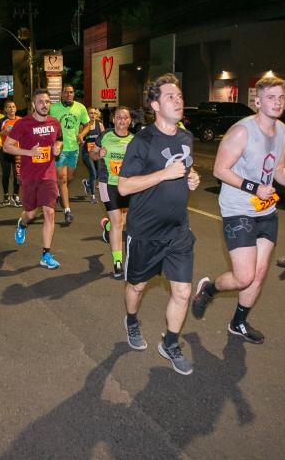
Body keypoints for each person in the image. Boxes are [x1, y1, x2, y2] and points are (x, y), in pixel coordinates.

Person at [191, 76, 285, 343]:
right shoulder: (242, 132)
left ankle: (238, 323)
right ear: (257, 101)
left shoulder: (283, 131)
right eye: (271, 98)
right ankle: (209, 289)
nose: (277, 103)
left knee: (260, 274)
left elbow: (277, 169)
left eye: (281, 98)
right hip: (238, 209)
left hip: (265, 210)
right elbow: (220, 170)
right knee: (244, 277)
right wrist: (254, 187)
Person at [117, 73, 201, 375]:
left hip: (178, 231)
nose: (178, 101)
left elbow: (184, 169)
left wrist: (191, 178)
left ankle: (170, 342)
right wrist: (163, 175)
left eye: (179, 97)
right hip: (143, 233)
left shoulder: (185, 137)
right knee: (137, 287)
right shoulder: (143, 141)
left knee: (182, 291)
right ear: (155, 104)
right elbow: (124, 187)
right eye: (170, 97)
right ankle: (131, 321)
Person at [2, 89, 63, 269]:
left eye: (47, 101)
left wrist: (57, 147)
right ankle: (22, 223)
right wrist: (29, 152)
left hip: (48, 175)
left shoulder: (55, 122)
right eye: (41, 102)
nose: (45, 105)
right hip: (29, 176)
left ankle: (46, 254)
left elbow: (58, 140)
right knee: (30, 213)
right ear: (34, 105)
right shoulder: (24, 124)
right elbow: (7, 147)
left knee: (49, 212)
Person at [90, 106, 133, 278]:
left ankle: (107, 226)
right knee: (118, 223)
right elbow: (92, 154)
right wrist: (98, 153)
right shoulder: (105, 136)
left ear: (130, 121)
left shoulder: (134, 140)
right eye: (119, 117)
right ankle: (117, 262)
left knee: (121, 220)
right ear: (113, 120)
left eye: (125, 117)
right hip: (107, 183)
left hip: (127, 185)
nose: (122, 120)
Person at [49, 84, 89, 224]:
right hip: (59, 149)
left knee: (69, 177)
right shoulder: (53, 108)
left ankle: (59, 192)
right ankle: (67, 211)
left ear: (74, 94)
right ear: (61, 94)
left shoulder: (80, 108)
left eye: (71, 92)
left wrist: (81, 135)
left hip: (74, 148)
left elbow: (88, 124)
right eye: (66, 92)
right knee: (63, 178)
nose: (68, 94)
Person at [0, 99, 22, 207]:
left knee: (18, 174)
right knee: (6, 174)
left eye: (13, 106)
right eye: (9, 107)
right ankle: (6, 195)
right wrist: (4, 131)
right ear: (5, 110)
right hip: (5, 151)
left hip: (17, 151)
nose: (11, 108)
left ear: (16, 108)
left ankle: (15, 195)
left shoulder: (21, 121)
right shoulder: (1, 121)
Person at [79, 107, 104, 203]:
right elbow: (79, 138)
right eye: (90, 113)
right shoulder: (83, 126)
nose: (92, 115)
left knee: (98, 173)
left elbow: (104, 138)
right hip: (87, 153)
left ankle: (87, 182)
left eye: (94, 113)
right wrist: (82, 141)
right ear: (87, 115)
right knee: (93, 172)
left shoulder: (100, 125)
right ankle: (93, 196)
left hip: (97, 153)